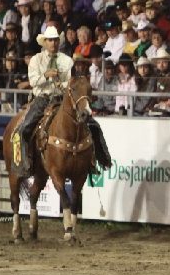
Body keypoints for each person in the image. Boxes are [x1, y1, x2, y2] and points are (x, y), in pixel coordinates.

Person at [14, 26, 111, 176]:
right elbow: (33, 81)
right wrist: (46, 76)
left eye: (55, 40)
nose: (53, 43)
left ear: (59, 42)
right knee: (25, 128)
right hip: (42, 98)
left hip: (62, 99)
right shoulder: (36, 60)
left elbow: (72, 82)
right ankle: (25, 163)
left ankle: (98, 160)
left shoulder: (67, 61)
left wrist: (63, 84)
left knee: (92, 125)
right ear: (45, 42)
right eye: (50, 40)